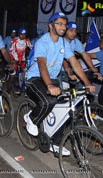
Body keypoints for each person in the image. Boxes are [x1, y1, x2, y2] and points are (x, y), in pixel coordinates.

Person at [25, 12, 95, 155]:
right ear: (51, 26)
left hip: (53, 79)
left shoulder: (63, 42)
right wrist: (49, 85)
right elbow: (42, 65)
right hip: (35, 78)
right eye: (60, 24)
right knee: (48, 101)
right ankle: (31, 118)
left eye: (65, 24)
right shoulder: (42, 42)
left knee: (66, 109)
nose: (64, 27)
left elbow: (74, 63)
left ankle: (54, 143)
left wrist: (87, 82)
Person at [62, 21, 103, 86]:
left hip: (71, 69)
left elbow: (85, 55)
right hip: (58, 70)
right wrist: (69, 73)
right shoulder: (61, 42)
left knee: (81, 88)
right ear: (65, 31)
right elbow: (64, 60)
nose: (74, 33)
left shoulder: (76, 42)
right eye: (71, 30)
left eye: (75, 31)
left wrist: (94, 69)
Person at [9, 27, 33, 94]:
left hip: (22, 60)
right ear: (19, 34)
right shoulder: (14, 41)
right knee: (12, 75)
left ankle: (22, 89)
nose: (23, 36)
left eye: (24, 34)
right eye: (21, 34)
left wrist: (30, 58)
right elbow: (10, 51)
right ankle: (9, 89)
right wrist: (13, 60)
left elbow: (32, 48)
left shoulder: (27, 41)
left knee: (23, 74)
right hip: (15, 60)